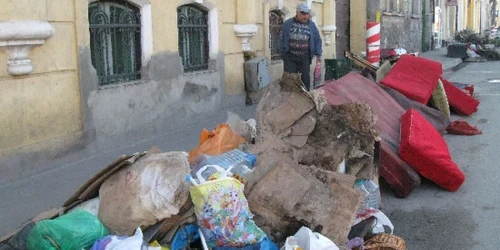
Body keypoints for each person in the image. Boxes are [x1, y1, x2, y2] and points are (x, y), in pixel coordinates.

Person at [279, 3, 322, 90]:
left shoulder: (311, 25)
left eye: (307, 13)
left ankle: (305, 99)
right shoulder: (288, 23)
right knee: (289, 80)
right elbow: (282, 38)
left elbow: (317, 39)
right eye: (303, 13)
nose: (305, 16)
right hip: (290, 56)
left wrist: (318, 54)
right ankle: (289, 99)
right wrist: (283, 53)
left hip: (305, 57)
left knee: (305, 79)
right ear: (297, 12)